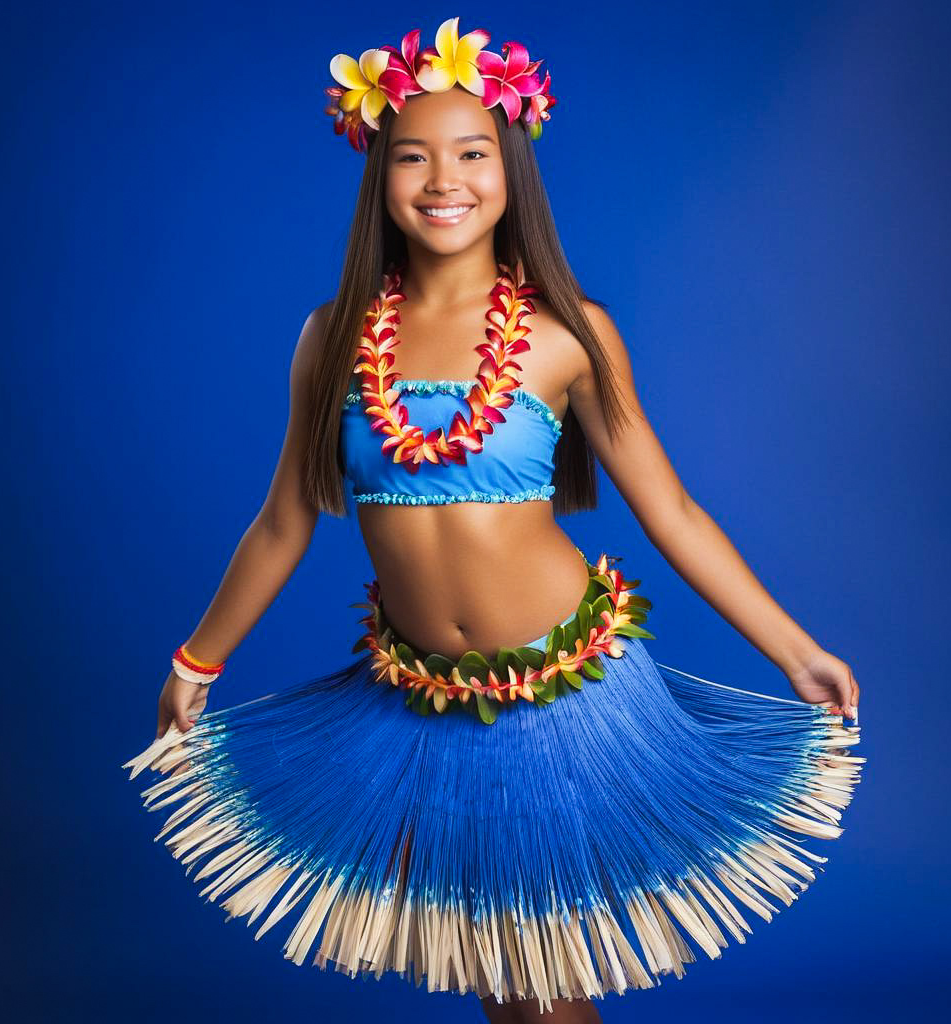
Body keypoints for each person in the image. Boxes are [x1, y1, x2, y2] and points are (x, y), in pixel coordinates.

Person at [123, 17, 864, 1023]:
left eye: (473, 153)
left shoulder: (567, 335)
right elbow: (282, 523)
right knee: (505, 983)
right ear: (378, 172)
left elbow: (674, 511)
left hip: (565, 698)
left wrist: (794, 649)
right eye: (413, 156)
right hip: (426, 704)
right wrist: (196, 662)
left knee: (540, 979)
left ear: (511, 170)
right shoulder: (332, 339)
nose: (444, 179)